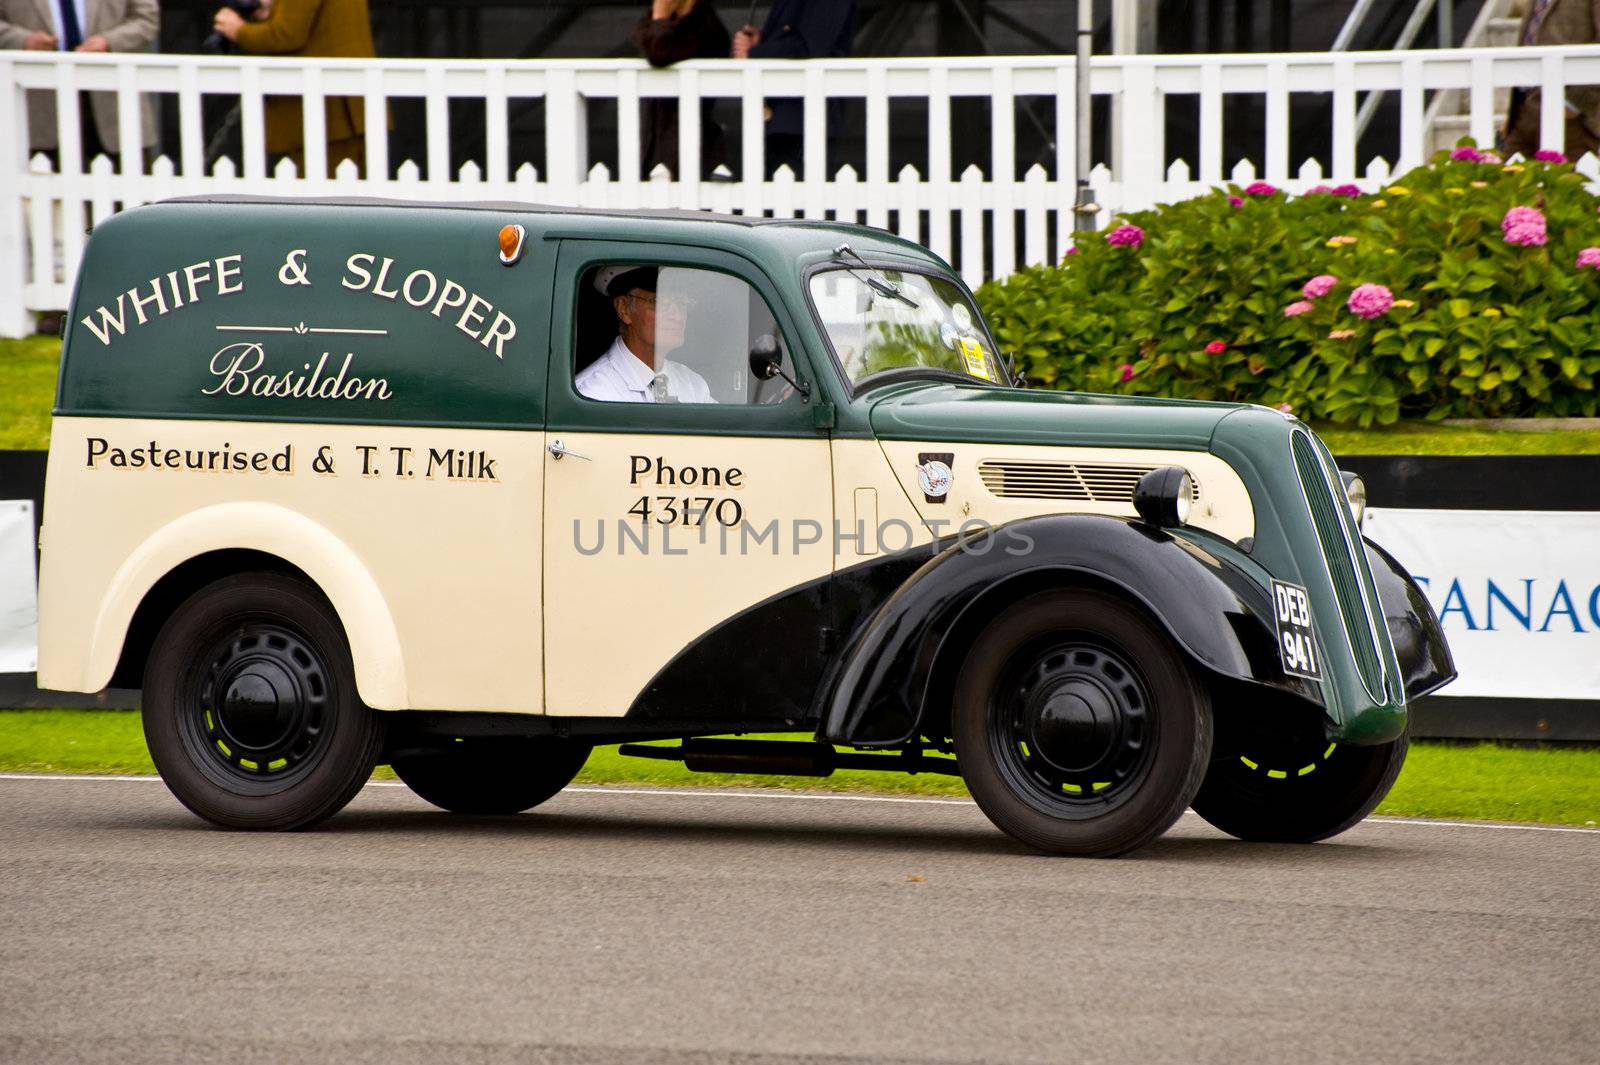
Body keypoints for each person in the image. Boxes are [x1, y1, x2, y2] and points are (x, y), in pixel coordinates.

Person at [211, 0, 376, 177]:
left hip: (328, 116)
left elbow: (286, 34)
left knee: (324, 198)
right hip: (344, 111)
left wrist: (238, 30)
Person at [0, 0, 160, 166]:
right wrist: (23, 40)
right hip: (36, 109)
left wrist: (109, 42)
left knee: (127, 186)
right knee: (42, 185)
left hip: (113, 106)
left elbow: (146, 19)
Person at [731, 0, 855, 176]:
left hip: (803, 123)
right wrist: (761, 43)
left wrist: (753, 55)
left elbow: (809, 49)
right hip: (780, 122)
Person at [576, 265, 716, 403]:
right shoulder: (593, 394)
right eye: (659, 301)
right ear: (624, 309)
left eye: (681, 303)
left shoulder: (692, 385)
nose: (677, 316)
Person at [632, 0, 730, 179]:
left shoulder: (706, 26)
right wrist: (660, 19)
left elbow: (658, 52)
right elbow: (641, 36)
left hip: (691, 151)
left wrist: (660, 17)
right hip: (655, 148)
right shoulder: (662, 20)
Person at [1502, 0, 1600, 161]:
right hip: (1525, 111)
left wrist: (1573, 105)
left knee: (1573, 182)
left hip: (1573, 118)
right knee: (1507, 180)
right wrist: (1513, 110)